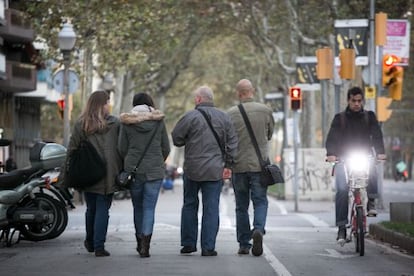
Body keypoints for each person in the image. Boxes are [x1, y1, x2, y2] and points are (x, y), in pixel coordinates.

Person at [171, 85, 238, 257]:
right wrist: (228, 165)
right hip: (215, 170)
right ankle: (208, 247)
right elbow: (232, 143)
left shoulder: (189, 116)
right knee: (211, 208)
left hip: (192, 169)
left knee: (189, 205)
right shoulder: (224, 118)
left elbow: (177, 138)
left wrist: (189, 139)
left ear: (199, 99)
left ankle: (188, 244)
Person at [325, 86, 386, 244]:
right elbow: (331, 137)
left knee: (372, 167)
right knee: (342, 190)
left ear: (363, 101)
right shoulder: (340, 118)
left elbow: (377, 135)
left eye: (359, 101)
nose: (357, 104)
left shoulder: (369, 117)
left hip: (364, 156)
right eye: (354, 101)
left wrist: (380, 152)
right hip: (343, 159)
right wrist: (331, 154)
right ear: (348, 101)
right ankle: (341, 228)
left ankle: (371, 201)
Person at [65, 90, 122, 257]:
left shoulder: (81, 124)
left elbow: (72, 149)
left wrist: (66, 174)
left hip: (88, 173)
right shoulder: (115, 124)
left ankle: (90, 242)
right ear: (100, 105)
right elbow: (122, 147)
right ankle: (98, 246)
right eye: (107, 102)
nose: (109, 105)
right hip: (108, 172)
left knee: (91, 209)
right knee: (103, 208)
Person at [118, 93, 170, 258]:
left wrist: (130, 161)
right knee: (149, 208)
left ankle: (139, 241)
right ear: (150, 104)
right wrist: (157, 161)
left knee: (138, 208)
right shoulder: (158, 122)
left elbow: (121, 148)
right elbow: (166, 148)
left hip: (134, 171)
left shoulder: (127, 123)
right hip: (154, 171)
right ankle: (145, 247)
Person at [227, 79, 275, 256]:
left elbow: (227, 140)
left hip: (238, 166)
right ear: (252, 91)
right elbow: (269, 134)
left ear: (238, 93)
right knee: (260, 201)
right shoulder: (265, 110)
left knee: (241, 206)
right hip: (259, 165)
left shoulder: (230, 114)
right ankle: (259, 229)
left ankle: (244, 244)